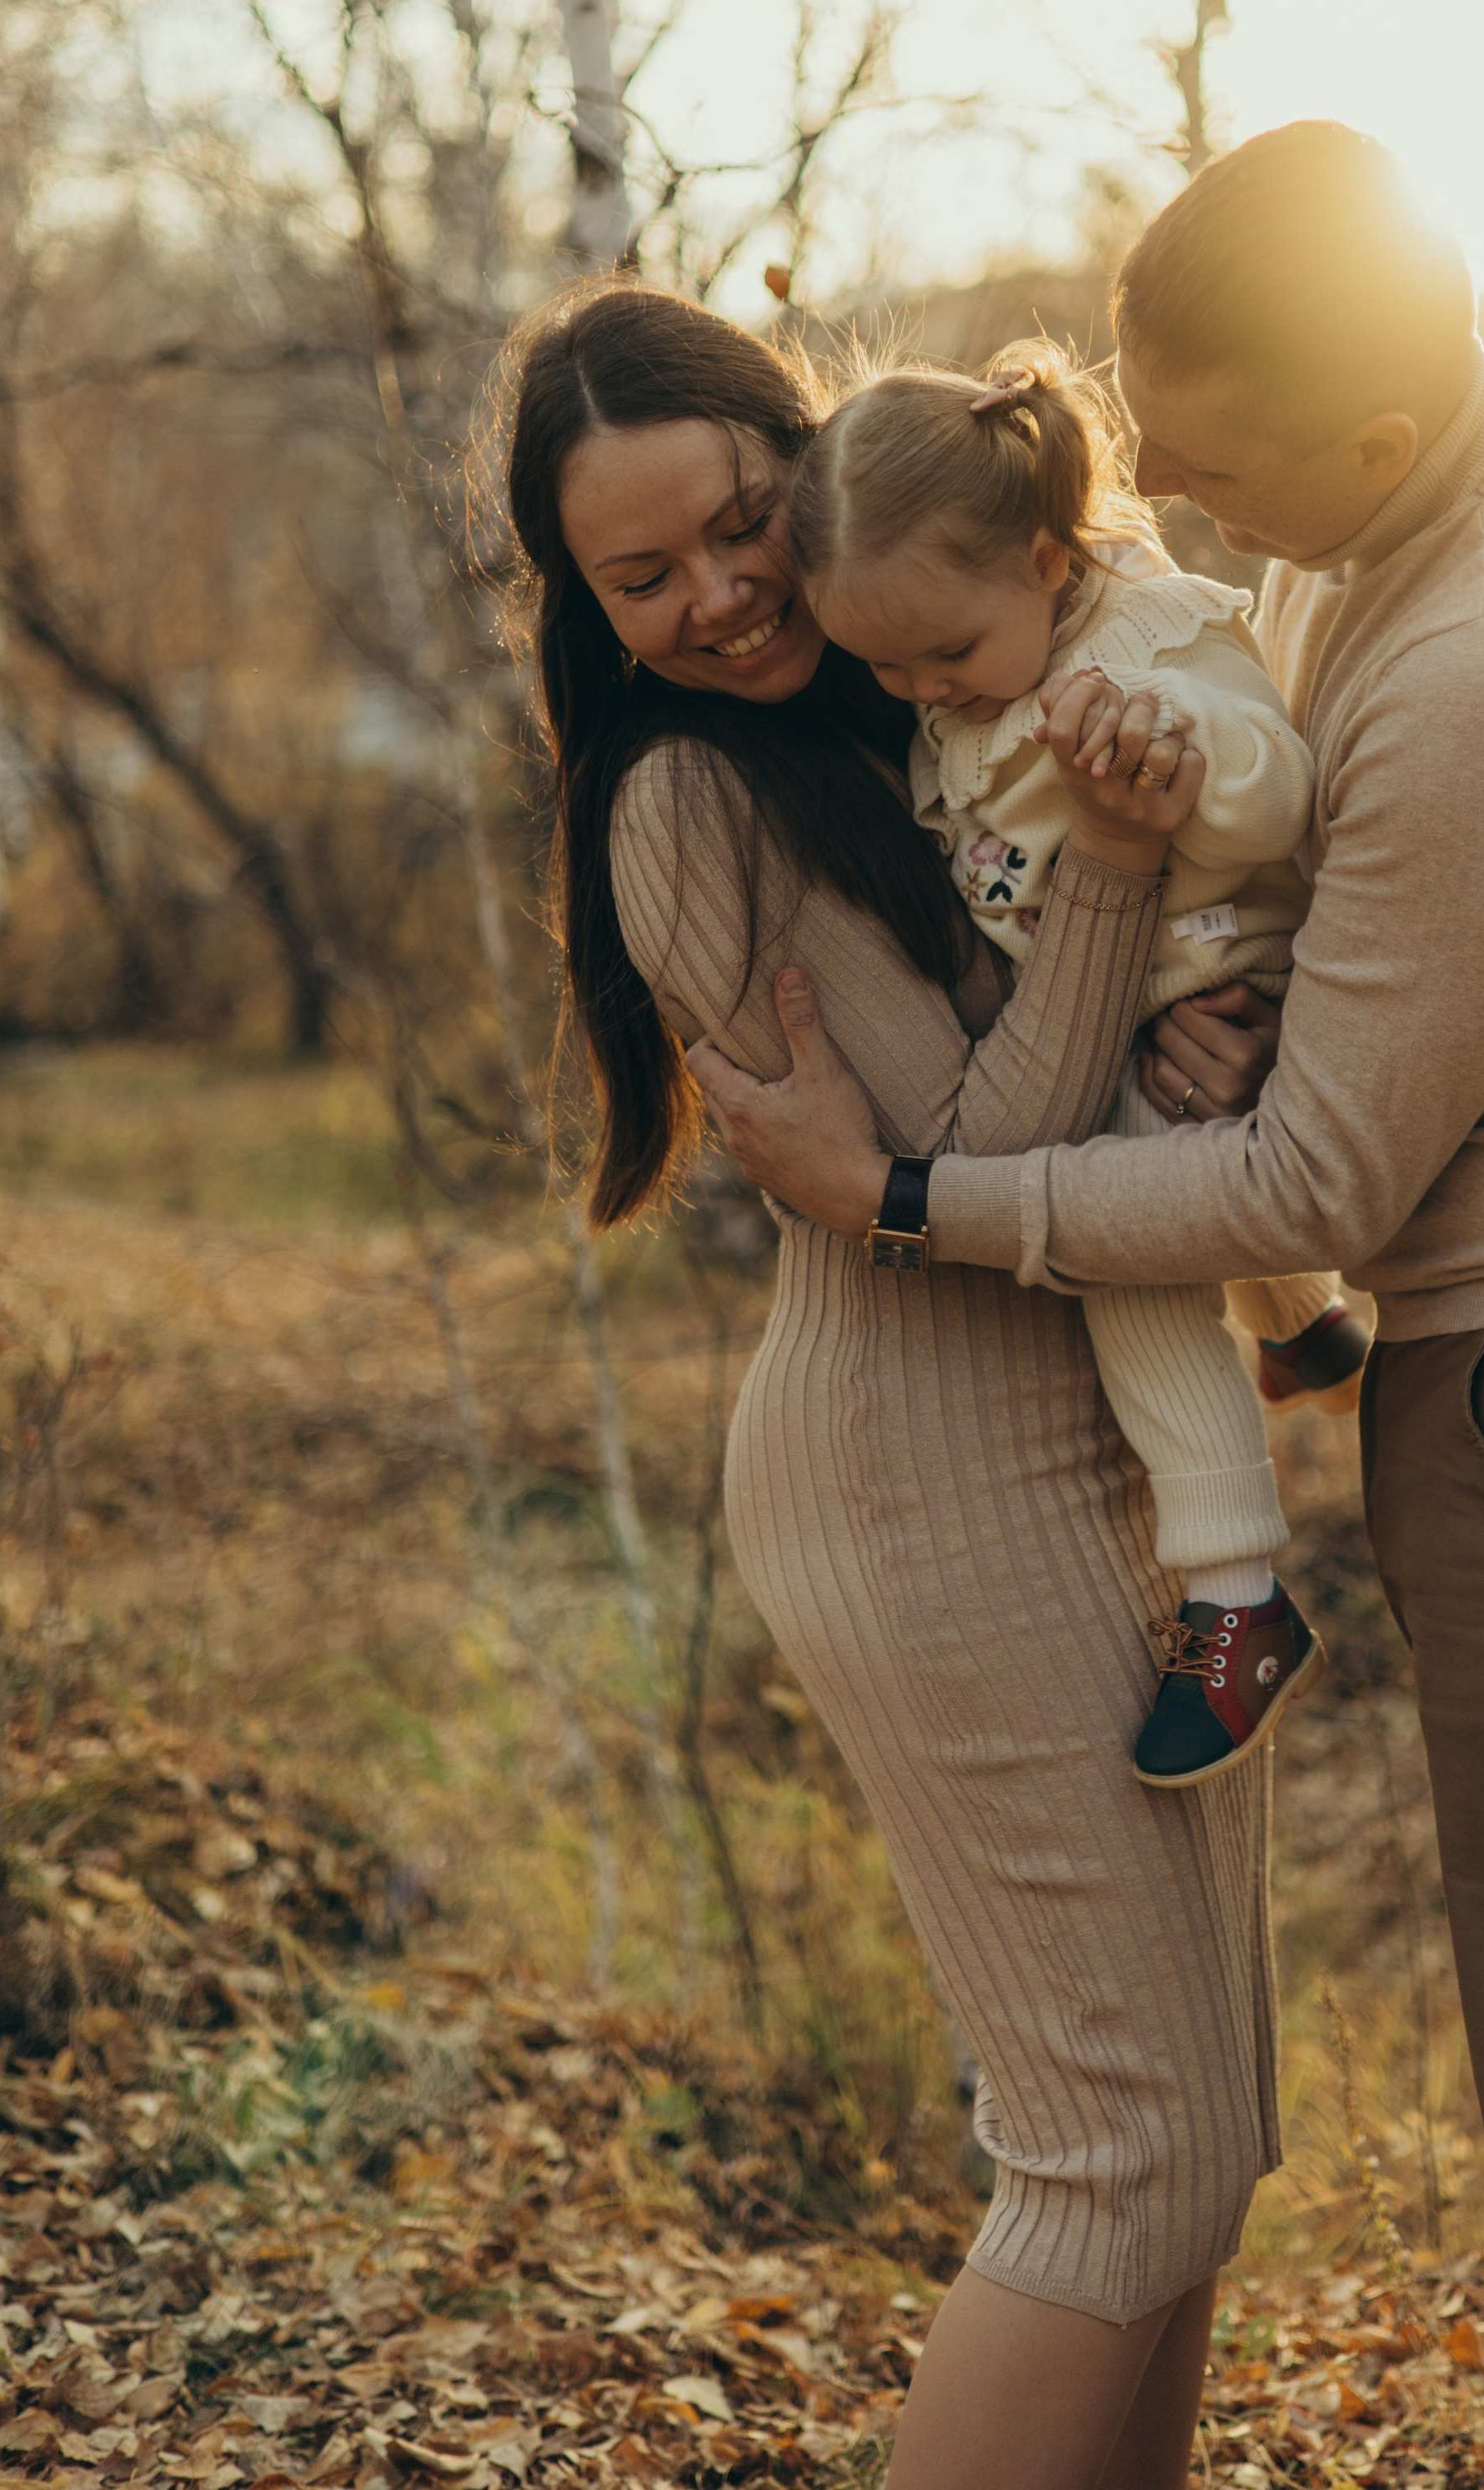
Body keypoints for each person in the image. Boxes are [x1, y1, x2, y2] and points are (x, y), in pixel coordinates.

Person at [690, 122, 1484, 2490]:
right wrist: (1257, 985)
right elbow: (1355, 945)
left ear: (1374, 442)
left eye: (1211, 469)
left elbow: (1319, 1172)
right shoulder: (1428, 523)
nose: (1168, 512)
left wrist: (911, 1193)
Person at [499, 274, 1287, 2490]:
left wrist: (1180, 1009)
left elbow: (1068, 1080)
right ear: (578, 603)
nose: (720, 596)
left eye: (741, 522)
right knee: (1110, 2159)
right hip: (919, 1473)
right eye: (638, 577)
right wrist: (1127, 908)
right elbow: (986, 1156)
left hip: (1090, 1427)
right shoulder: (682, 798)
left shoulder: (927, 685)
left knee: (1203, 2147)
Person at [787, 340, 1360, 1787]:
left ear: (1046, 561)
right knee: (1161, 1170)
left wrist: (1178, 770)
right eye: (888, 668)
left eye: (946, 655)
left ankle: (1237, 1593)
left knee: (1122, 1253)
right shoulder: (969, 675)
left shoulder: (1145, 645)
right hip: (1137, 995)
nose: (927, 691)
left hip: (1224, 973)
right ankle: (1305, 1326)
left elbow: (1277, 785)